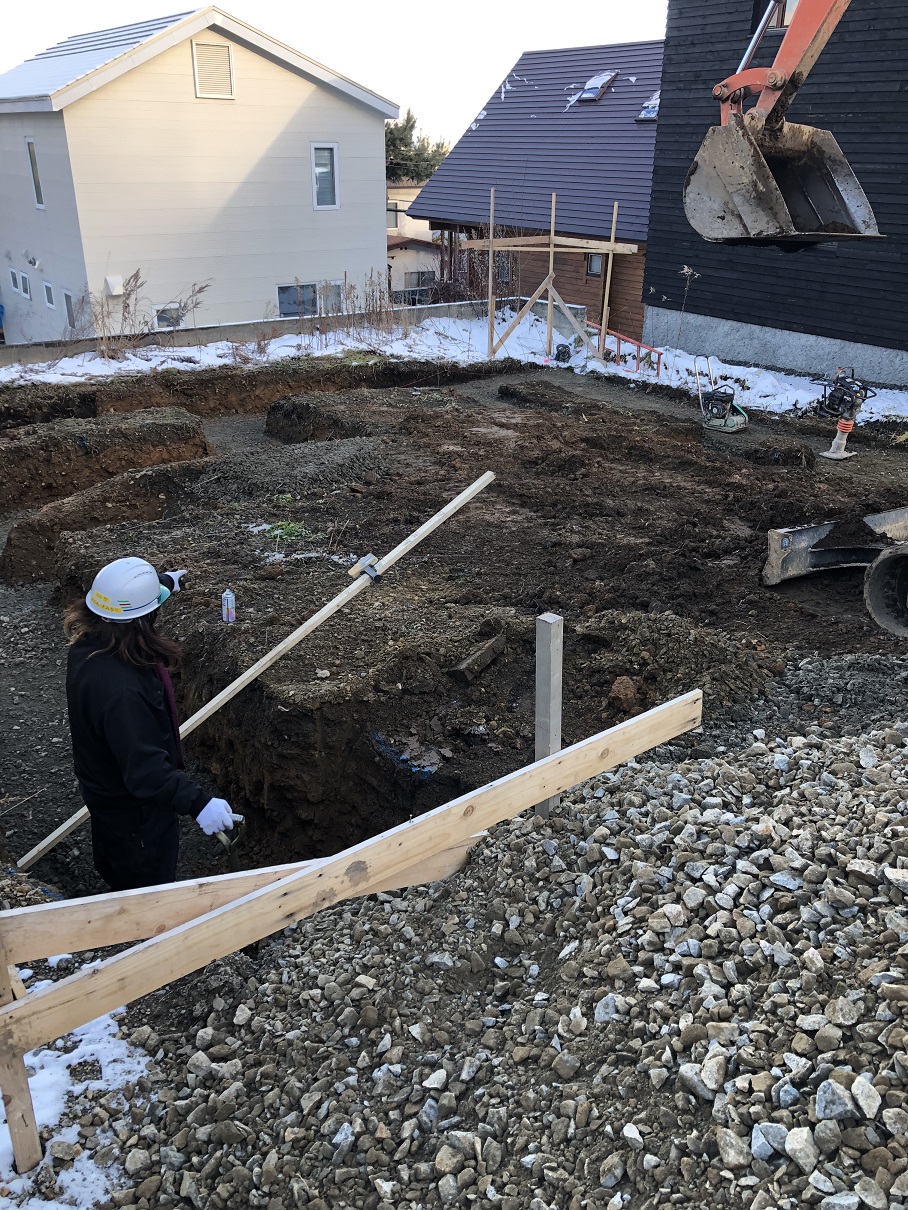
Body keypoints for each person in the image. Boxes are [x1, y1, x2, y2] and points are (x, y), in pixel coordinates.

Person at [65, 556, 234, 891]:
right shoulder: (121, 692)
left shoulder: (89, 647)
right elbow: (145, 771)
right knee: (146, 890)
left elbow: (128, 601)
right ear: (142, 619)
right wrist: (198, 803)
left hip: (109, 801)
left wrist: (166, 582)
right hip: (134, 820)